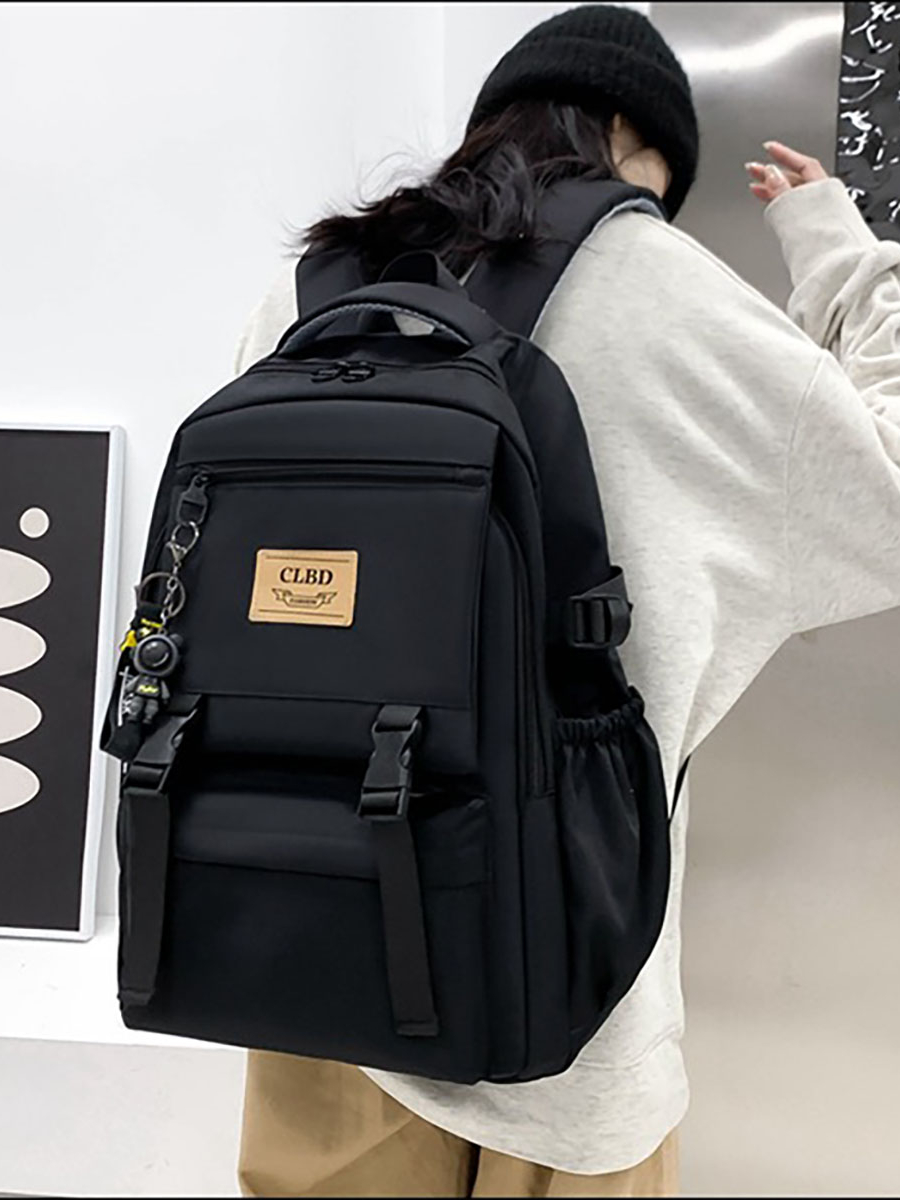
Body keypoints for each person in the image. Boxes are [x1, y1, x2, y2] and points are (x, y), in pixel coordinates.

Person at [234, 6, 900, 1196]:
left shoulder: (318, 284)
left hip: (309, 949)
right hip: (565, 997)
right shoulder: (664, 290)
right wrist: (844, 256)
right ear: (633, 139)